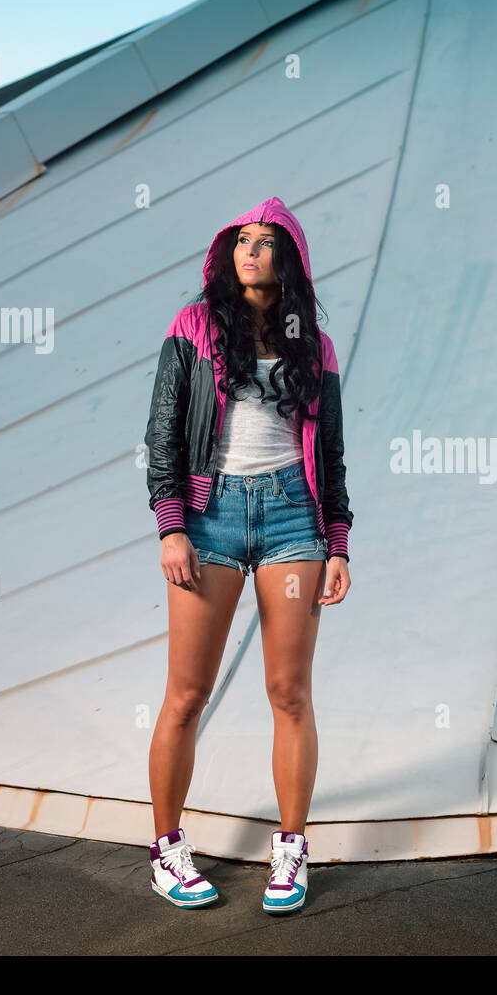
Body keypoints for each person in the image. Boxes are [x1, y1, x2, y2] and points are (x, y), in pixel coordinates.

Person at [142, 197, 353, 914]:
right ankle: (167, 847)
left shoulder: (312, 345)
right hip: (211, 518)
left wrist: (339, 544)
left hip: (294, 516)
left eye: (265, 241)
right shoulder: (194, 327)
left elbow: (332, 455)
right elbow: (165, 429)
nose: (250, 250)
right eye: (241, 240)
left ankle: (291, 848)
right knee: (187, 693)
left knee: (290, 692)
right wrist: (173, 525)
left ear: (287, 257)